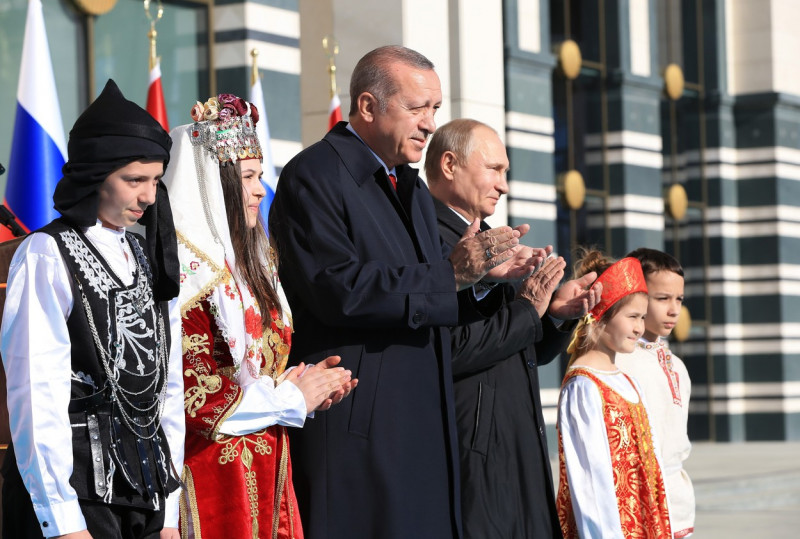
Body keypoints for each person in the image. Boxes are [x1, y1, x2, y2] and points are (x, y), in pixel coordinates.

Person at [268, 46, 534, 539]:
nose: (430, 124)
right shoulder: (315, 175)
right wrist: (452, 275)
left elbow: (430, 291)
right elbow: (337, 289)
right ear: (368, 107)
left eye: (434, 108)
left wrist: (479, 281)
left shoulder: (409, 186)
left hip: (421, 421)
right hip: (360, 425)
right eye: (417, 108)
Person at [162, 93, 355, 539]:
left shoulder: (253, 267)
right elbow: (199, 402)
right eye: (248, 177)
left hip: (269, 460)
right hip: (210, 476)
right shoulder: (187, 280)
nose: (259, 190)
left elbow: (257, 372)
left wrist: (301, 385)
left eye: (259, 176)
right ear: (215, 182)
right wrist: (291, 400)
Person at [1, 79, 184, 538]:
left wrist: (171, 504)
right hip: (76, 496)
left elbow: (168, 386)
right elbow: (35, 392)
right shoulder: (46, 253)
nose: (148, 197)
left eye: (155, 181)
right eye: (134, 180)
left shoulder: (146, 258)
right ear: (94, 176)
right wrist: (61, 520)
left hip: (146, 492)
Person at [425, 118, 605, 538]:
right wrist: (526, 308)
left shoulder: (488, 237)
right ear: (450, 164)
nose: (503, 185)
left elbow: (519, 349)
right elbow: (450, 349)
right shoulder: (428, 237)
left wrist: (554, 314)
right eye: (494, 169)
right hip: (471, 443)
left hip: (512, 435)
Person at [556, 252, 672, 538]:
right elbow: (590, 482)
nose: (639, 328)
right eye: (632, 316)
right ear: (599, 315)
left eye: (643, 318)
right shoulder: (584, 386)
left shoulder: (628, 382)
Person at [615, 248, 694, 538]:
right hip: (637, 501)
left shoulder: (678, 367)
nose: (674, 309)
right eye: (662, 298)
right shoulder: (616, 362)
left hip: (678, 499)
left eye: (679, 299)